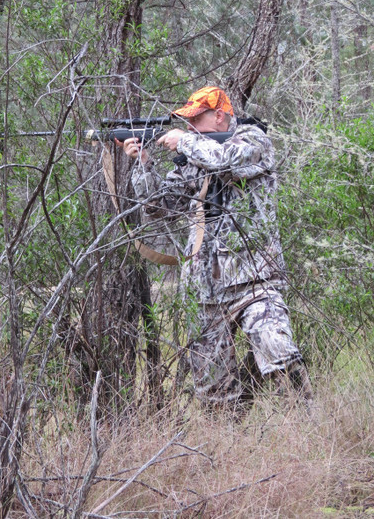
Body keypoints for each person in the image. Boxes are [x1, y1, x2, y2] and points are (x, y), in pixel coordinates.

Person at [120, 86, 312, 412]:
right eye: (188, 121)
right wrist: (144, 163)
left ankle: (312, 436)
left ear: (220, 115)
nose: (191, 125)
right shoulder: (194, 157)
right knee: (213, 390)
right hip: (204, 289)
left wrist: (184, 141)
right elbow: (159, 206)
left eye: (198, 118)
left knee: (277, 351)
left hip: (254, 281)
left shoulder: (253, 140)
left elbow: (228, 161)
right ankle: (227, 452)